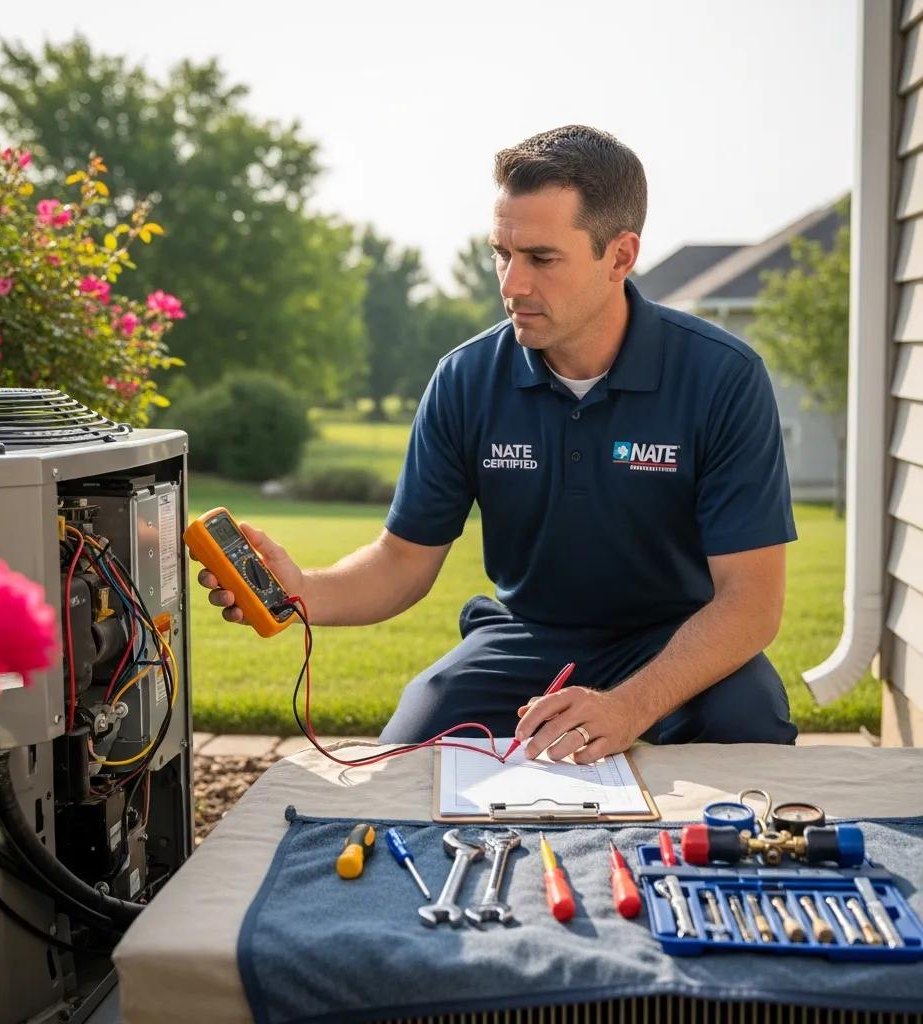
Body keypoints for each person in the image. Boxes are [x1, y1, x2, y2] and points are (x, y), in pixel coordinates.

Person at [197, 124, 799, 763]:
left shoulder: (722, 377)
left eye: (541, 258)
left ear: (620, 256)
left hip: (680, 634)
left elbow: (751, 603)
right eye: (501, 254)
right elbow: (402, 562)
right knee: (410, 749)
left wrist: (626, 707)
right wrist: (303, 589)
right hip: (527, 637)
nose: (512, 284)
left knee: (750, 725)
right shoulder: (465, 379)